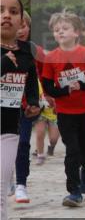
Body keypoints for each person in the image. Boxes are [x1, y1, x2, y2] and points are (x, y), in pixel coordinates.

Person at [39, 12, 85, 207]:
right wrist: (65, 90)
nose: (60, 32)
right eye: (57, 30)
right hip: (65, 114)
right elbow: (48, 87)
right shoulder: (51, 58)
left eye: (64, 28)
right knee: (72, 151)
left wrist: (82, 86)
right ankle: (74, 191)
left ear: (76, 32)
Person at [1, 0, 40, 220]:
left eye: (13, 11)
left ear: (21, 21)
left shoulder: (26, 52)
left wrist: (33, 102)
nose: (7, 16)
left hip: (8, 129)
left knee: (1, 189)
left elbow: (31, 77)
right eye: (1, 11)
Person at [12, 11, 41, 203]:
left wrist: (34, 102)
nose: (21, 30)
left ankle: (21, 184)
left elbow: (34, 80)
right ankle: (6, 179)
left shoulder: (31, 51)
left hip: (23, 107)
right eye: (18, 25)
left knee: (22, 143)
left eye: (25, 26)